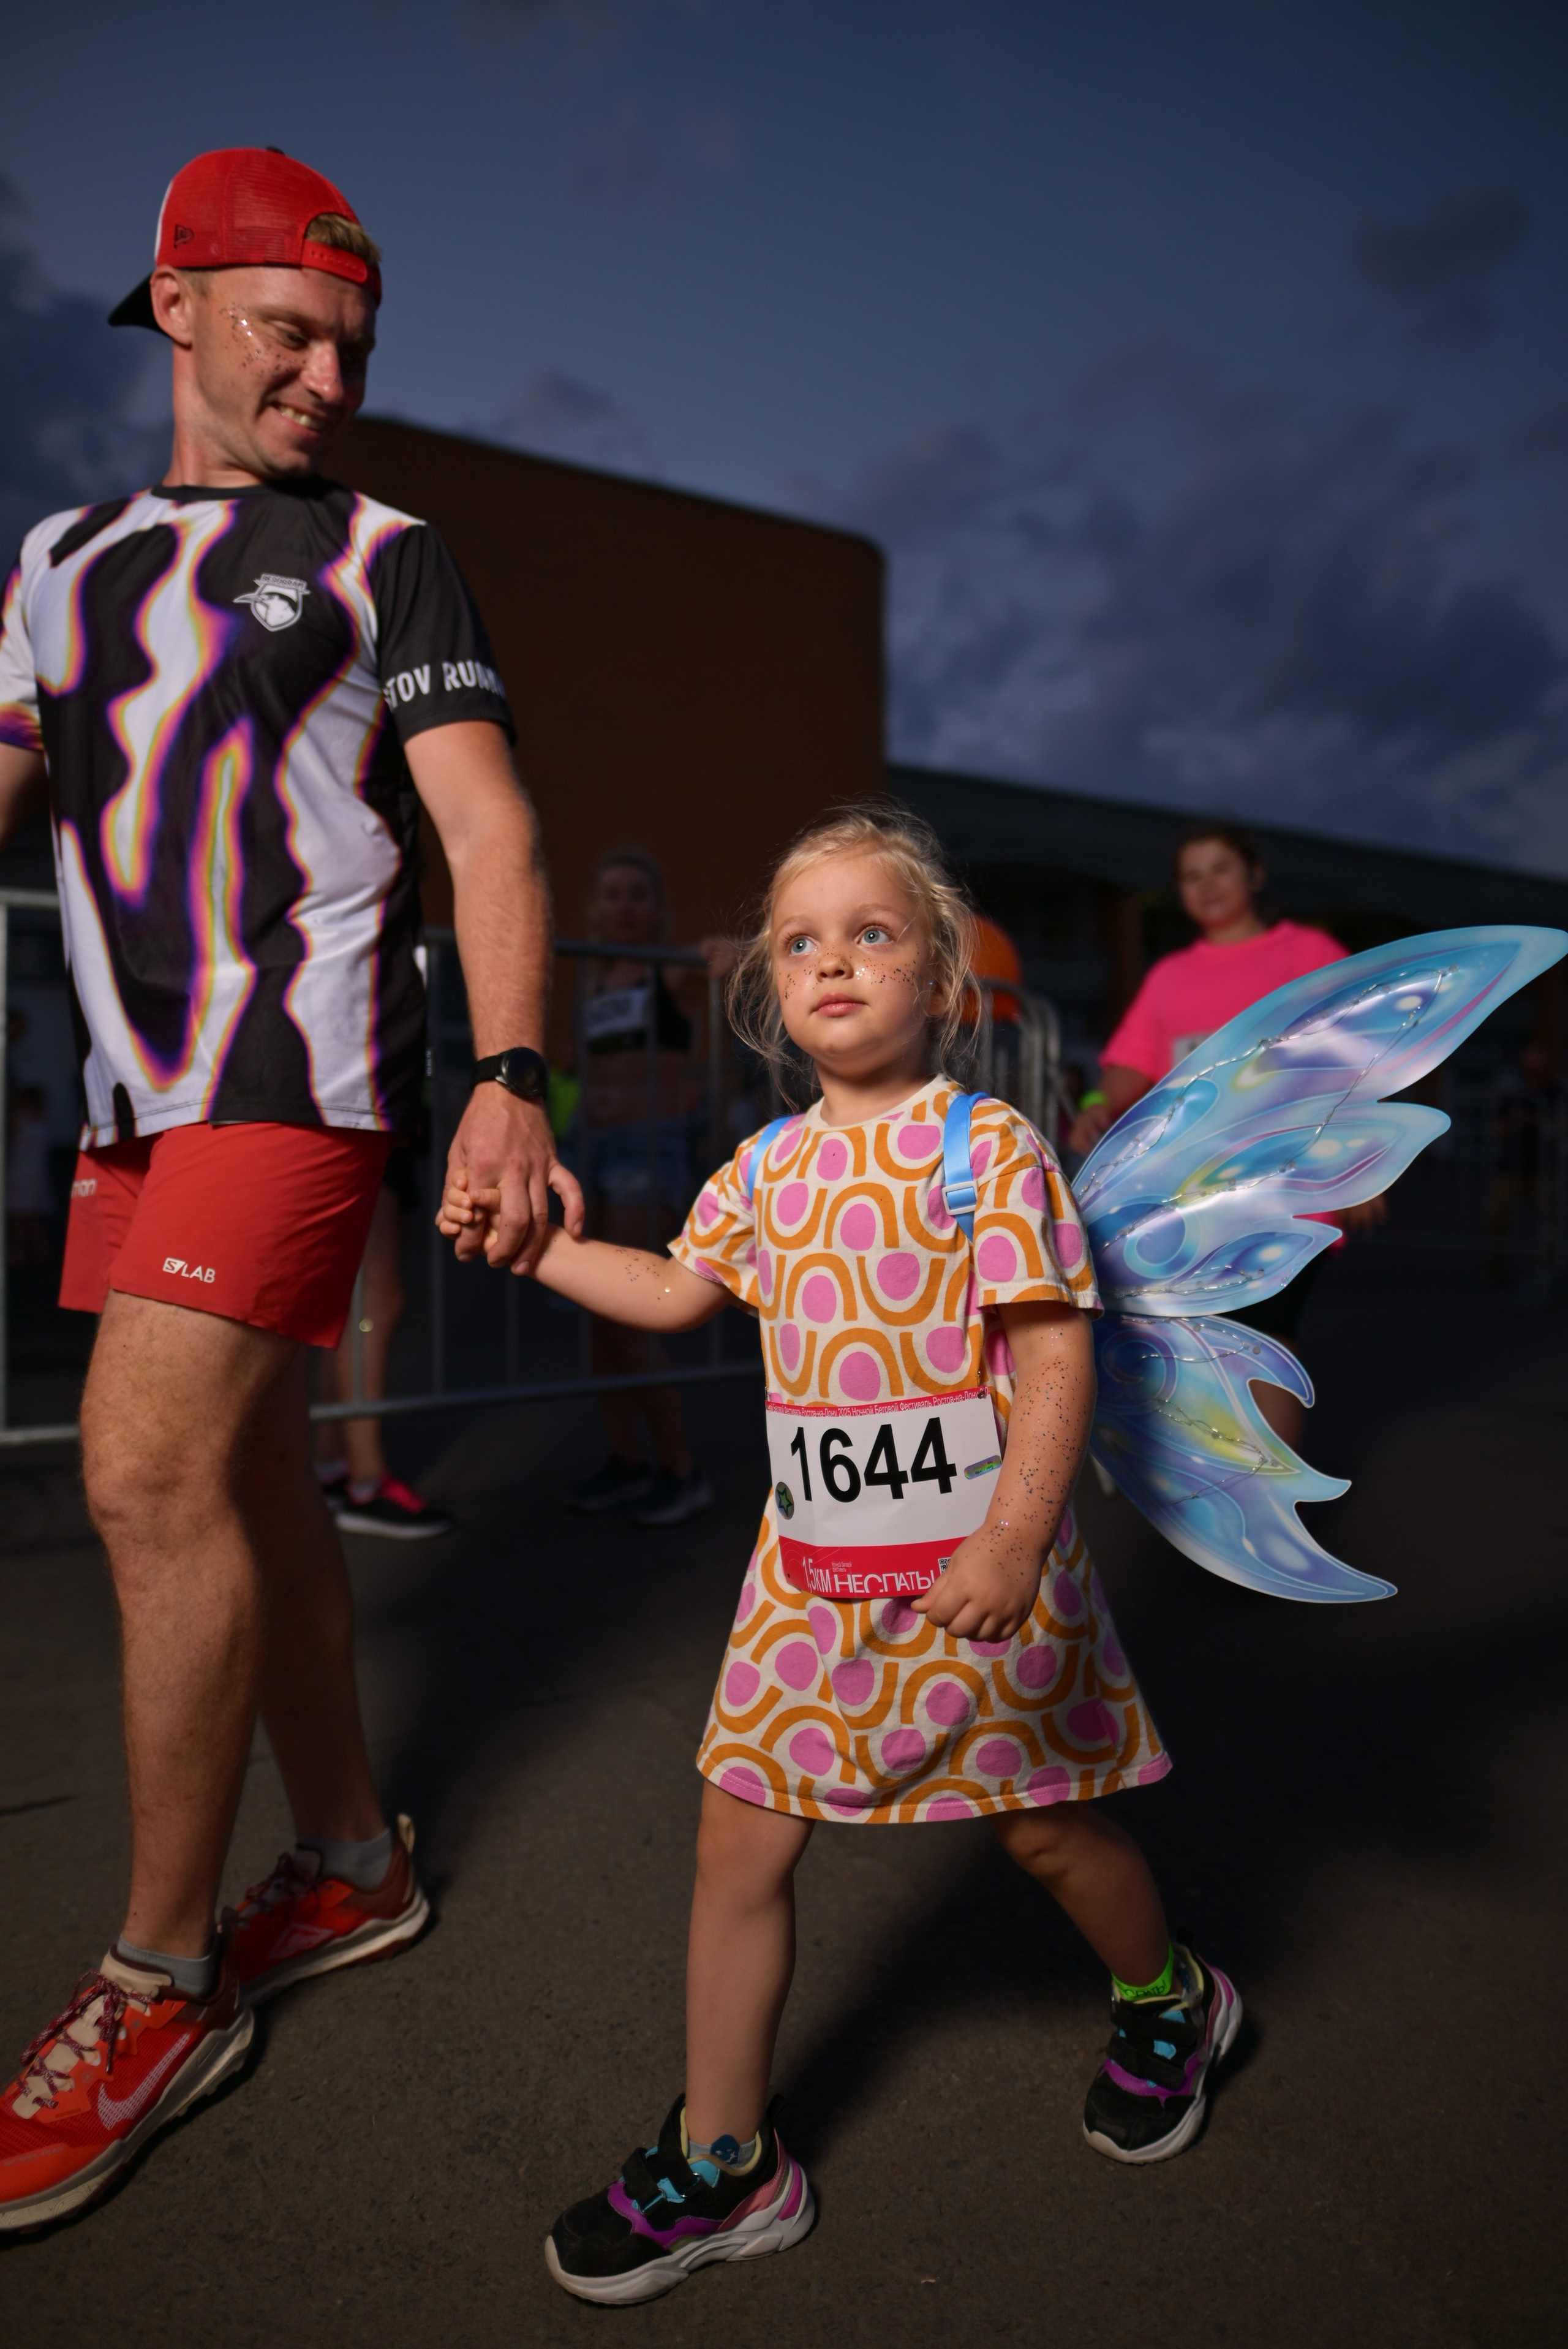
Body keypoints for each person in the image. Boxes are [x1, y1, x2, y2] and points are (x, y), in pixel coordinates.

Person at [0, 146, 580, 2232]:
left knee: (145, 1469)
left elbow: (491, 834)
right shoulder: (55, 563)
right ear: (174, 306)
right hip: (135, 1103)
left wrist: (515, 1076)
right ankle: (352, 1858)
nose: (329, 375)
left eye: (354, 342)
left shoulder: (387, 556)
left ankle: (161, 1982)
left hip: (303, 1083)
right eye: (288, 330)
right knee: (237, 1488)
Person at [442, 803, 1238, 2307]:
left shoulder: (982, 1144)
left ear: (939, 980)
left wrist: (1013, 1534)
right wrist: (533, 1243)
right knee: (735, 1839)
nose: (831, 960)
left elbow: (1053, 1355)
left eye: (872, 932)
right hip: (804, 1590)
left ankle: (1168, 1997)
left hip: (983, 1581)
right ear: (768, 986)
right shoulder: (762, 1169)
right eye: (799, 940)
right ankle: (729, 2154)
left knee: (1046, 1831)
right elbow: (675, 1294)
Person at [1068, 819, 1370, 1449]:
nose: (1206, 885)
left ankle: (1269, 1498)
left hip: (1289, 1185)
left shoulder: (1308, 954)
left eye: (1221, 869)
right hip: (1188, 1195)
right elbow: (1129, 1066)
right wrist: (1098, 1103)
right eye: (1191, 876)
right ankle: (1215, 1488)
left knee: (1265, 1336)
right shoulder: (1170, 976)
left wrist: (1363, 1157)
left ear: (1254, 876)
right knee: (1198, 1343)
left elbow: (1364, 1056)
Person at [567, 847, 729, 1527]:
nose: (625, 905)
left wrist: (728, 948)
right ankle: (625, 1458)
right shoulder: (594, 979)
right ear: (595, 910)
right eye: (613, 894)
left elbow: (733, 954)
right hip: (592, 1147)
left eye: (638, 894)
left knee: (632, 1315)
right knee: (597, 1322)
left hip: (648, 1147)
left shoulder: (674, 973)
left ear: (656, 909)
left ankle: (678, 1470)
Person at [313, 1144, 456, 1538]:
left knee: (352, 1301)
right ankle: (367, 1482)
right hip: (365, 1121)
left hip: (361, 1122)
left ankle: (331, 1462)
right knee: (373, 1298)